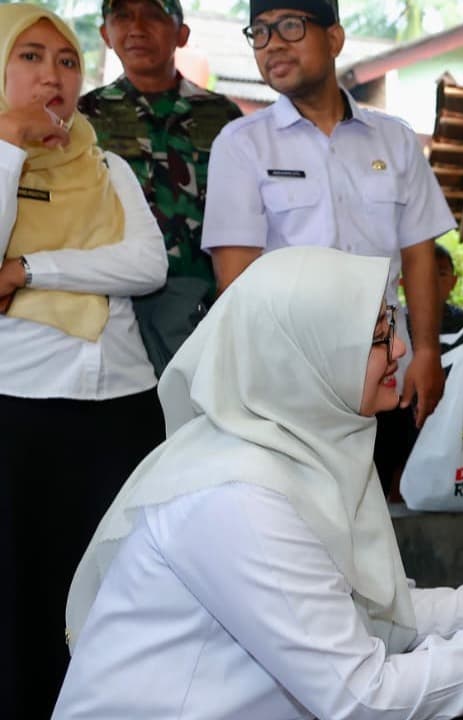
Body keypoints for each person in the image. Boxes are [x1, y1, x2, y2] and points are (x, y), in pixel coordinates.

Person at [54, 247, 463, 719]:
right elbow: (364, 697)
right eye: (376, 336)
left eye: (392, 324)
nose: (401, 351)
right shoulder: (235, 498)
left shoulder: (307, 450)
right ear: (301, 356)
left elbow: (379, 612)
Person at [0, 5, 168, 716]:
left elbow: (146, 264)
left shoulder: (107, 163)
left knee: (116, 586)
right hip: (22, 404)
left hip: (122, 406)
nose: (52, 76)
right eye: (31, 57)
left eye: (66, 61)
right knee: (21, 586)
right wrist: (10, 142)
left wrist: (29, 268)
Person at [202, 0, 451, 435]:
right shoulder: (242, 145)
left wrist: (427, 350)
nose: (272, 44)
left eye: (290, 27)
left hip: (387, 368)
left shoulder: (395, 140)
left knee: (380, 497)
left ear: (334, 38)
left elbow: (418, 255)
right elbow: (236, 284)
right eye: (259, 32)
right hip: (293, 377)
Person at [78, 0, 243, 373]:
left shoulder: (224, 117)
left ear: (182, 34)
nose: (136, 27)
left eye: (154, 15)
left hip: (202, 300)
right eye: (122, 16)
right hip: (116, 301)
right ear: (105, 34)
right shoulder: (82, 118)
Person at [375, 242, 463, 498]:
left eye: (441, 274)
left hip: (453, 402)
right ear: (404, 283)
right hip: (413, 404)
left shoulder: (462, 321)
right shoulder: (403, 322)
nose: (432, 282)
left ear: (453, 281)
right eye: (427, 275)